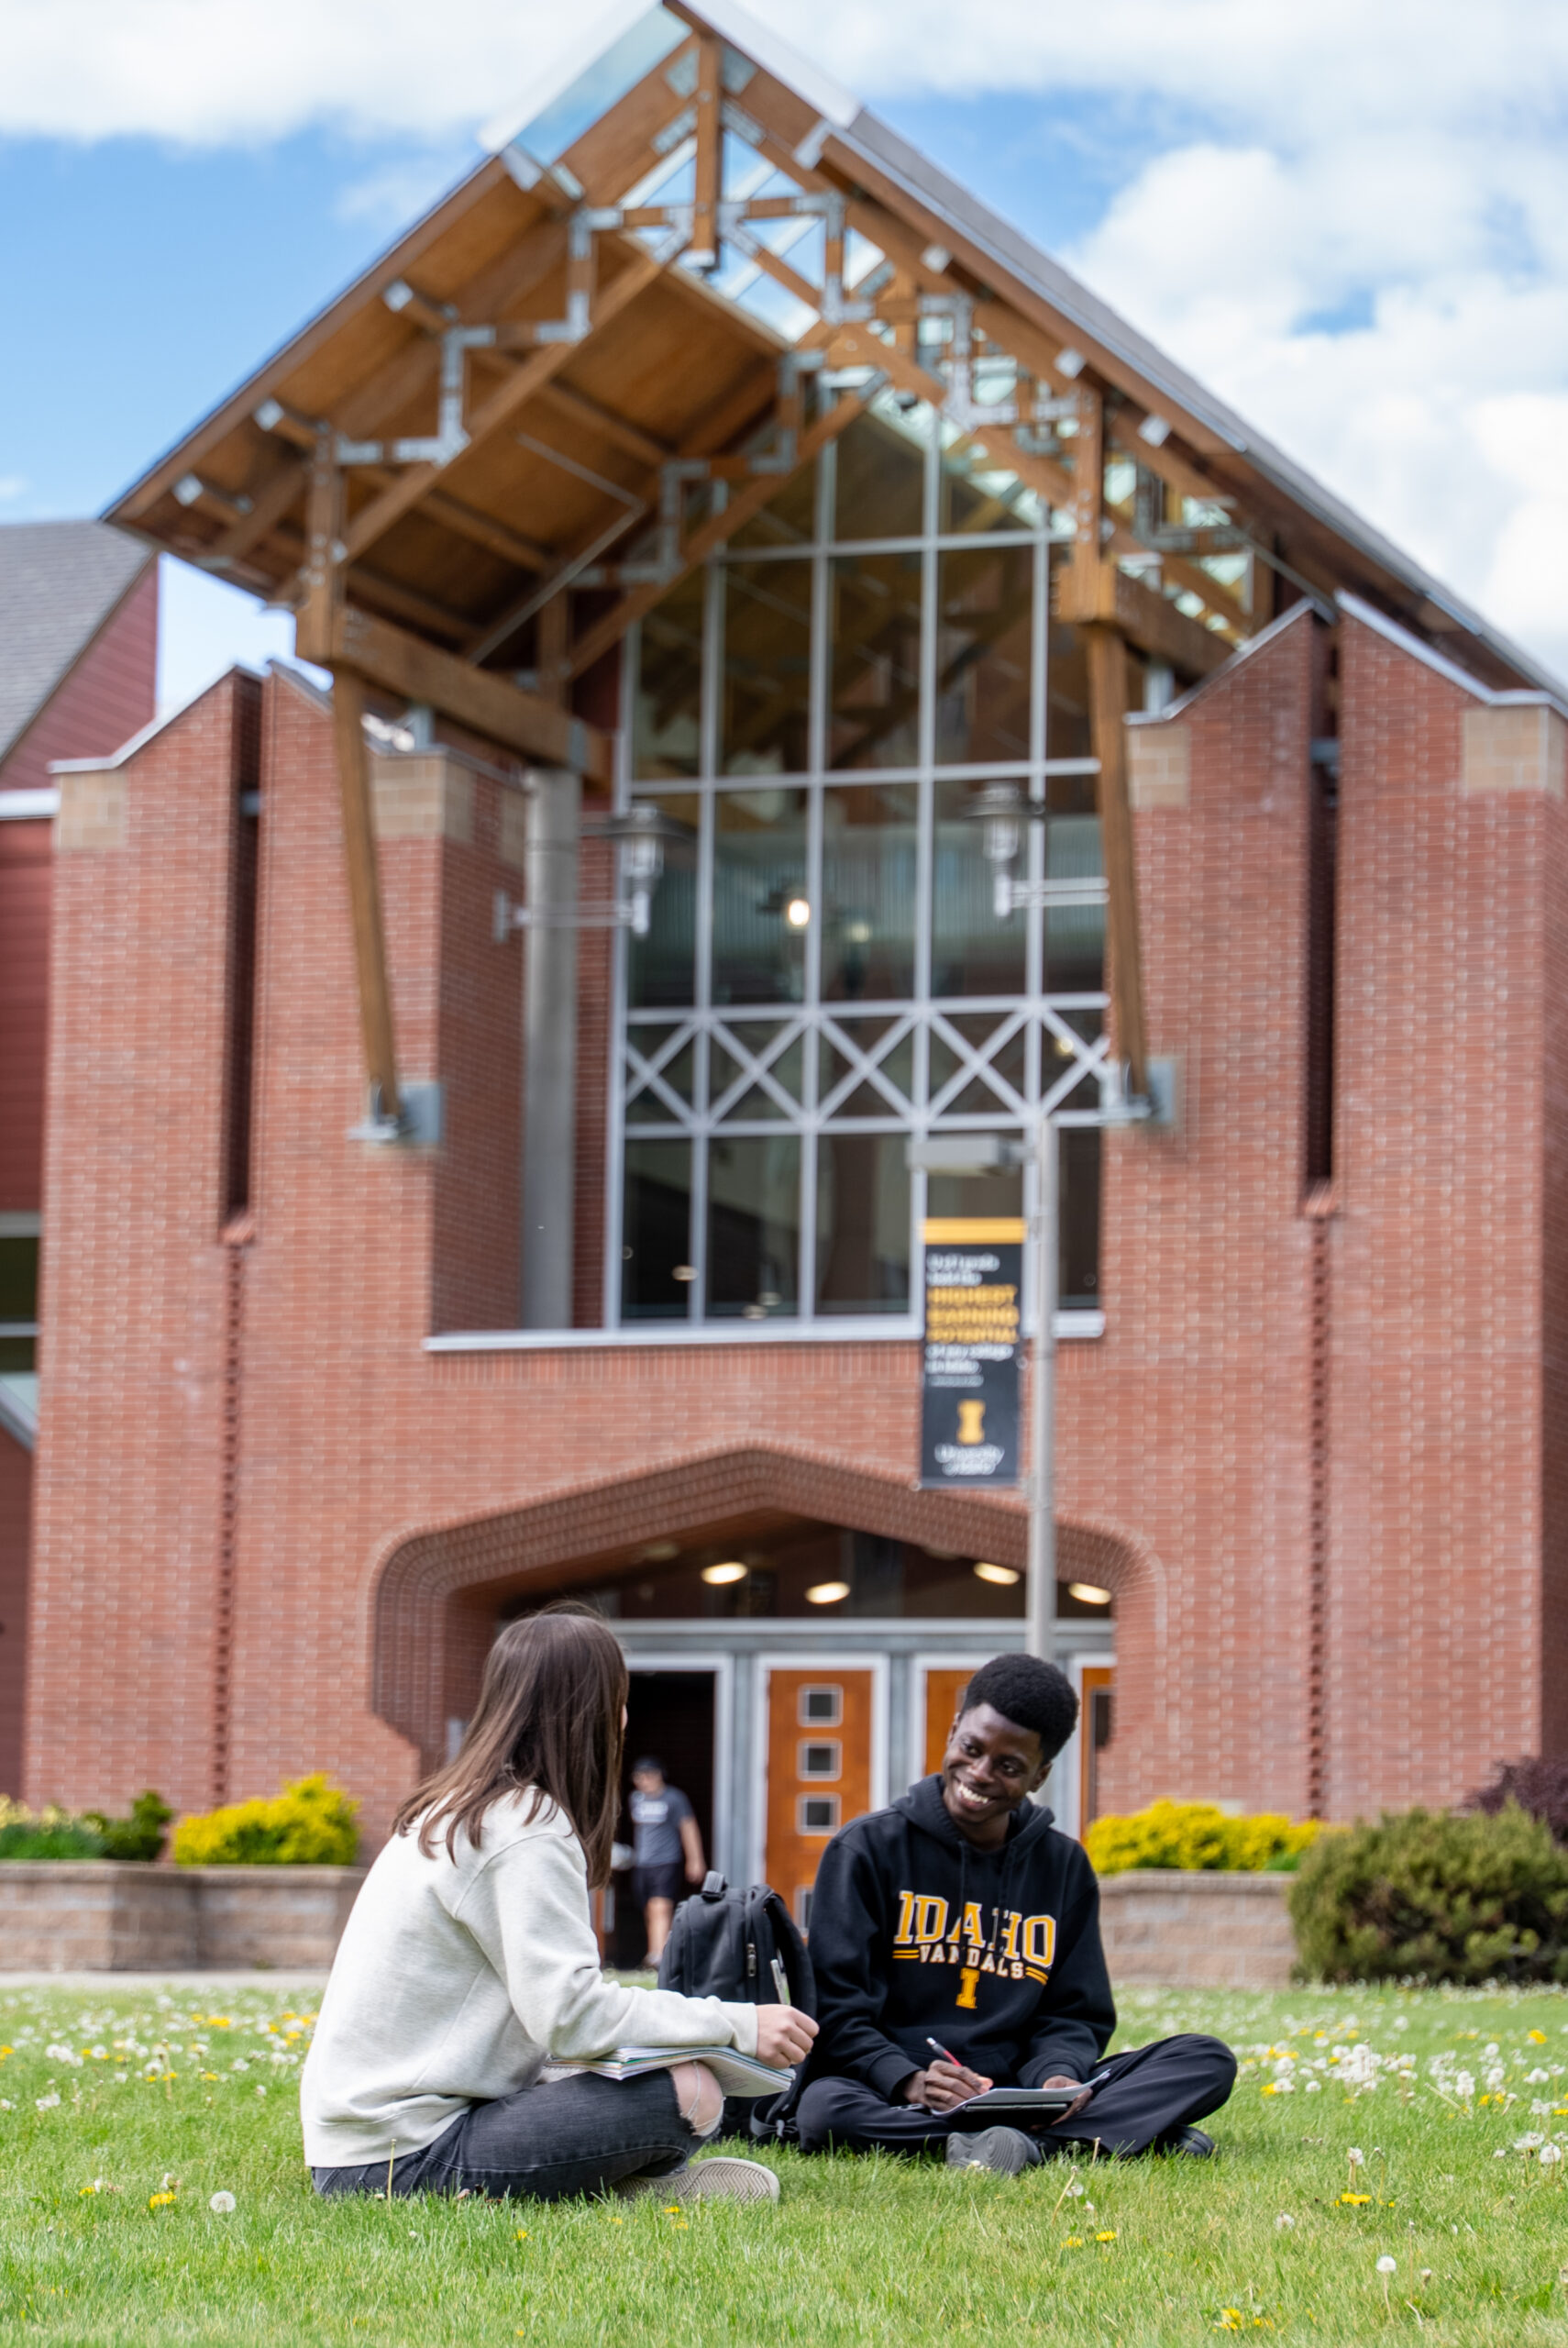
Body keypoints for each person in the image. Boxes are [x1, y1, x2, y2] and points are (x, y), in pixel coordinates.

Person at [302, 1605, 816, 2204]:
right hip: (401, 2160)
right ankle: (626, 2189)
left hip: (360, 2147)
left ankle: (600, 2182)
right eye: (618, 1698)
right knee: (690, 2089)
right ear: (592, 1713)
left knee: (632, 2070)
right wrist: (736, 2024)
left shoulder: (457, 1807)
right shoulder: (526, 1828)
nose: (625, 1718)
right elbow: (572, 2016)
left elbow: (551, 2023)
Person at [795, 1653, 1237, 2175]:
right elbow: (838, 2014)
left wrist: (1057, 2077)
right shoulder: (865, 1849)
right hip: (900, 2090)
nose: (980, 1774)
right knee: (824, 2111)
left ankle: (1022, 2143)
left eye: (1008, 1767)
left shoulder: (1064, 1865)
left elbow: (1074, 2012)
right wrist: (908, 2078)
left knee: (1205, 2058)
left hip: (1023, 2092)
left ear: (1039, 1775)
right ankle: (1086, 2141)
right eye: (971, 1748)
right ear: (954, 1731)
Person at [628, 1756, 705, 1966]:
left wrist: (695, 1859)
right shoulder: (636, 1799)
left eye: (649, 1775)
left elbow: (688, 1827)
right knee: (649, 1908)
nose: (644, 1781)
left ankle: (658, 1955)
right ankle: (656, 1950)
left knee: (660, 1906)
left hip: (666, 1861)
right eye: (639, 1776)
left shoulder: (674, 1798)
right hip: (643, 1863)